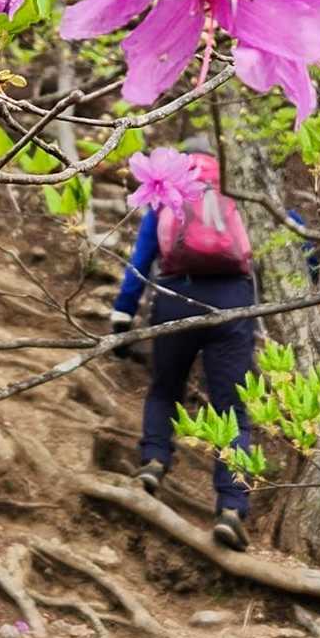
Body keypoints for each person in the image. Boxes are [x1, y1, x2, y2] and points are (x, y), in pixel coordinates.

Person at [108, 148, 261, 551]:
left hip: (177, 295)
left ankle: (153, 462)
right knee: (232, 410)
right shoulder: (238, 192)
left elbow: (142, 257)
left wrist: (123, 314)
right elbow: (292, 235)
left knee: (165, 388)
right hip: (232, 301)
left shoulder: (168, 190)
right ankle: (231, 508)